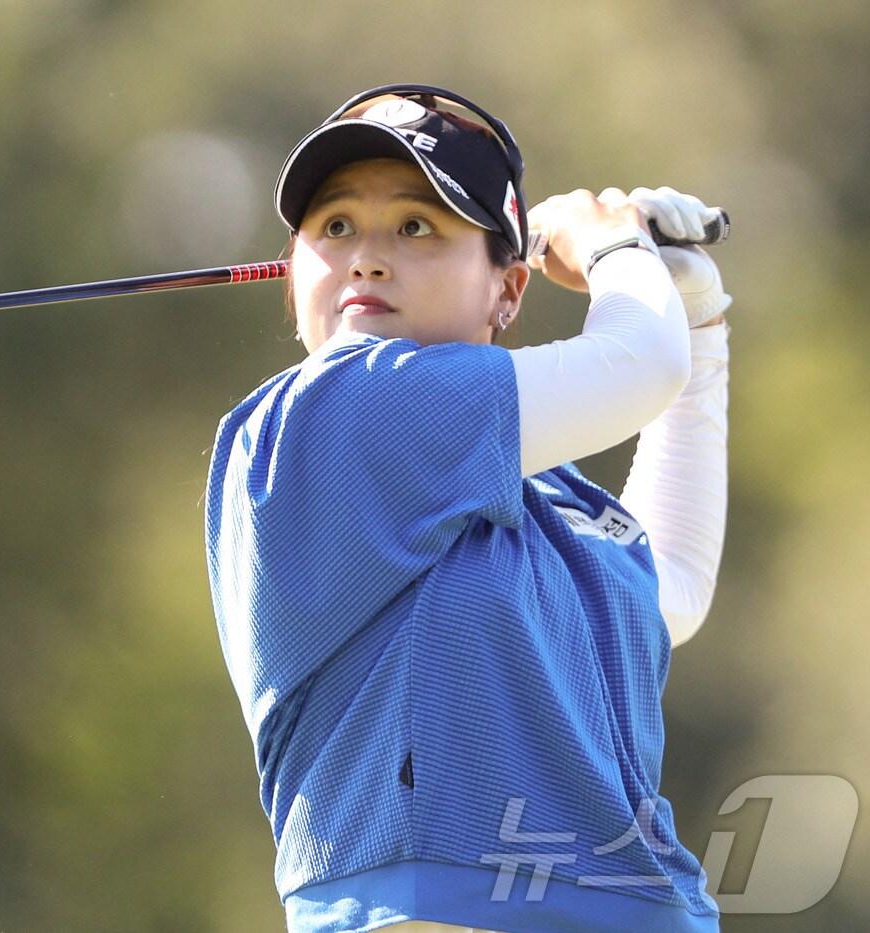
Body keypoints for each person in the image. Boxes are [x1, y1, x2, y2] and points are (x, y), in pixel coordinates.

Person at [203, 83, 730, 933]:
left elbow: (669, 588)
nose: (368, 257)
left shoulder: (539, 493)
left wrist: (698, 325)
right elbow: (638, 361)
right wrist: (617, 252)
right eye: (335, 227)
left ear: (508, 291)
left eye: (417, 226)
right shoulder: (337, 410)